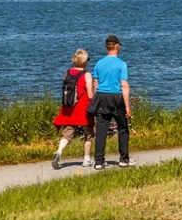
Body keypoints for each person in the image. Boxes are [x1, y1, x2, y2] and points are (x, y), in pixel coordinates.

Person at [88, 35, 132, 169]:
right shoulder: (121, 64)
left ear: (107, 47)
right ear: (117, 47)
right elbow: (124, 85)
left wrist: (95, 100)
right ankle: (124, 159)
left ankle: (99, 161)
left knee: (101, 129)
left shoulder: (99, 63)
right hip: (116, 96)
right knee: (123, 127)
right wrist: (127, 106)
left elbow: (95, 84)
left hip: (102, 96)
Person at [52, 49, 94, 169]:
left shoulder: (68, 73)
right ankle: (86, 159)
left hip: (69, 107)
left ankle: (59, 151)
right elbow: (90, 95)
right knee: (89, 134)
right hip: (83, 108)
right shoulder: (87, 75)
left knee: (68, 132)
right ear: (85, 61)